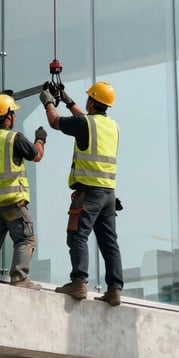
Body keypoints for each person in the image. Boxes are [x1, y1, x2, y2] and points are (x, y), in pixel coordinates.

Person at [40, 81, 124, 306]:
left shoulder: (85, 123)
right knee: (109, 242)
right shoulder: (112, 126)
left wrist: (48, 102)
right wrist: (68, 101)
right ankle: (115, 289)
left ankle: (79, 282)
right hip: (108, 194)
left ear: (92, 102)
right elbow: (85, 122)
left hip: (88, 192)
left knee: (77, 235)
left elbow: (55, 122)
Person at [0, 93, 47, 289]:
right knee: (25, 239)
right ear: (7, 115)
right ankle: (19, 278)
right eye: (13, 113)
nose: (15, 116)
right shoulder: (14, 138)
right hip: (13, 203)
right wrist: (40, 139)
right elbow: (36, 155)